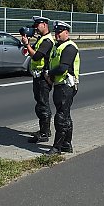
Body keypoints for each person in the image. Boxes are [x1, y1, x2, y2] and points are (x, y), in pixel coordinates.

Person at [44, 21, 80, 155]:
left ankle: (57, 148)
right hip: (60, 85)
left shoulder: (69, 47)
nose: (57, 34)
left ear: (67, 32)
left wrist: (49, 73)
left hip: (66, 86)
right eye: (56, 32)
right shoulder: (58, 46)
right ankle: (66, 144)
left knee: (60, 117)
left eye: (60, 32)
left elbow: (63, 67)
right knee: (65, 115)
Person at [21, 16, 54, 143]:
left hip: (43, 78)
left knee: (43, 105)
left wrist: (27, 45)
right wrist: (27, 44)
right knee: (40, 103)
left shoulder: (47, 41)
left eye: (37, 25)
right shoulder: (41, 39)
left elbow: (36, 56)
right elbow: (29, 52)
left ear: (45, 25)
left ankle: (44, 134)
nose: (35, 28)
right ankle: (45, 129)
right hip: (38, 76)